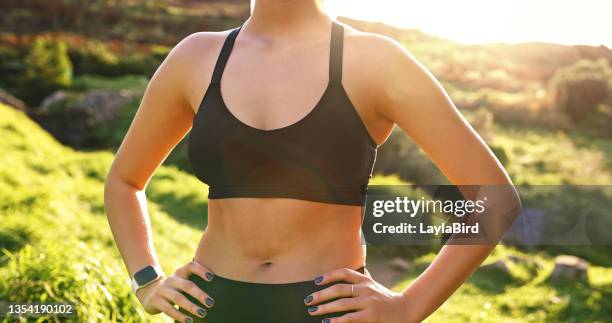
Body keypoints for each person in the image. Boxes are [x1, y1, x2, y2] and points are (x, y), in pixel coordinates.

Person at [104, 0, 519, 322]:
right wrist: (147, 282)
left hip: (326, 313)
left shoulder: (375, 60)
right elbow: (125, 180)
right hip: (210, 307)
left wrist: (408, 308)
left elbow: (495, 198)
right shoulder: (195, 57)